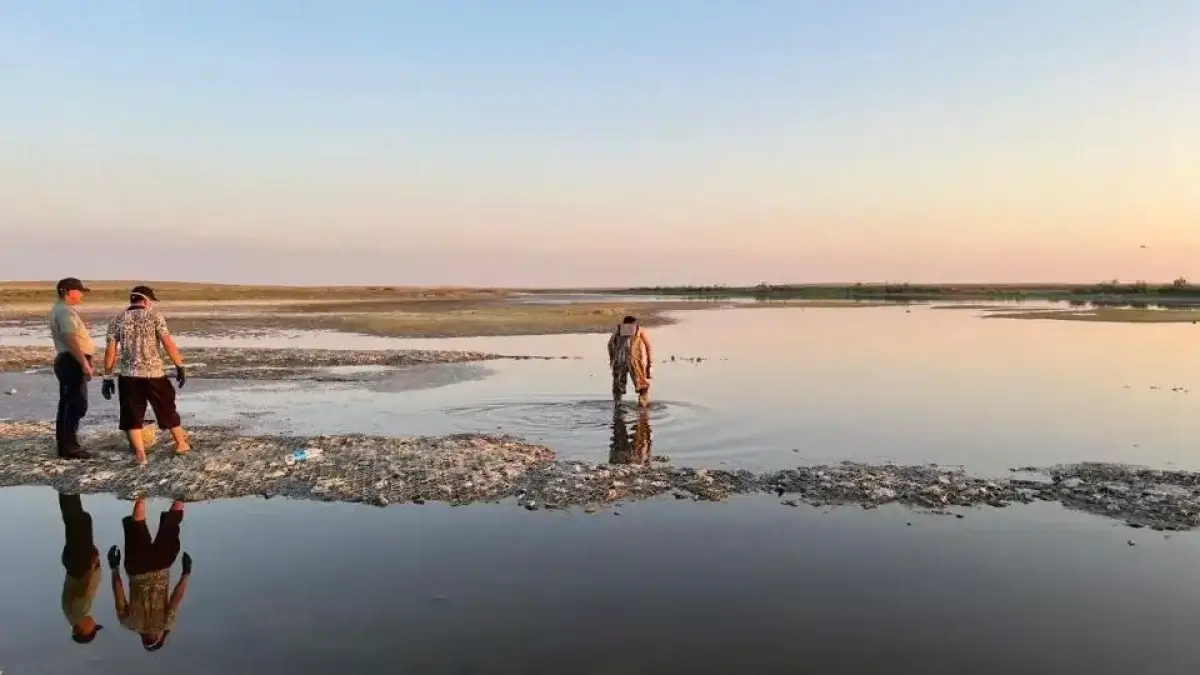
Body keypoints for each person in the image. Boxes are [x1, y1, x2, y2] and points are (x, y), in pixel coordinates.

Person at [101, 285, 190, 465]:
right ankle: (180, 444)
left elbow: (110, 351)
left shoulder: (117, 319)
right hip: (154, 374)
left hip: (128, 375)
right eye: (150, 301)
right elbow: (167, 343)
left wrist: (107, 377)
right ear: (146, 300)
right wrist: (179, 365)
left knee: (132, 415)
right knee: (166, 409)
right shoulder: (155, 316)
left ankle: (140, 453)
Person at [108, 497, 192, 652]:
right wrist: (114, 568)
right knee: (137, 526)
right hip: (137, 568)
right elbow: (118, 592)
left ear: (160, 638)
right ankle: (141, 494)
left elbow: (176, 598)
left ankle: (181, 496)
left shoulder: (166, 624)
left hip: (160, 566)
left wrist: (185, 573)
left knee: (171, 525)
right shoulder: (128, 623)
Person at [49, 277, 95, 459]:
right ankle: (69, 447)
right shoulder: (64, 312)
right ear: (68, 291)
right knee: (75, 403)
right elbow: (69, 338)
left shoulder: (61, 310)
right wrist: (83, 362)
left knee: (69, 403)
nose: (81, 294)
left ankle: (67, 445)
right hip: (71, 361)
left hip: (69, 360)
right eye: (79, 290)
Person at [59, 492, 104, 644]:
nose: (94, 622)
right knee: (78, 522)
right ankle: (68, 492)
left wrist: (91, 566)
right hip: (75, 562)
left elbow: (83, 589)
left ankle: (68, 491)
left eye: (93, 627)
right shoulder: (71, 615)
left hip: (80, 563)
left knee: (78, 522)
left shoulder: (79, 613)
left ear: (84, 630)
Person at [607, 315, 653, 407]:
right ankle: (643, 408)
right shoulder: (638, 329)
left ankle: (618, 405)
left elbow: (610, 344)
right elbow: (648, 346)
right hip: (634, 360)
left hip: (619, 360)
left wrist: (612, 359)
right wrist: (649, 363)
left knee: (618, 387)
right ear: (634, 323)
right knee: (642, 386)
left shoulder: (619, 329)